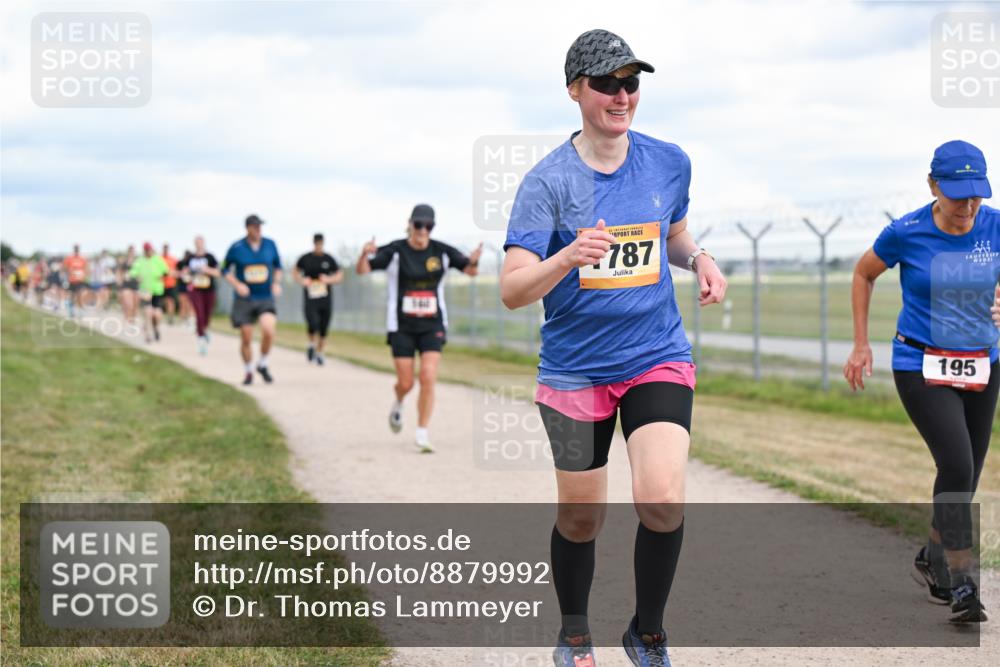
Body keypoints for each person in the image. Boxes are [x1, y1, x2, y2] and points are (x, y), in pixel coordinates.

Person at [500, 30, 727, 667]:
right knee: (580, 517)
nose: (621, 95)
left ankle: (647, 632)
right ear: (576, 90)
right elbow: (513, 289)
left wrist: (700, 258)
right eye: (607, 83)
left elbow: (674, 234)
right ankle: (574, 632)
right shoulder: (546, 183)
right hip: (574, 370)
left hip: (655, 353)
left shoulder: (668, 161)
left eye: (631, 83)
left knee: (661, 495)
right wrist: (568, 256)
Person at [845, 140, 998, 625]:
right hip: (921, 362)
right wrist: (861, 344)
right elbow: (863, 274)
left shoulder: (995, 226)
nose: (968, 207)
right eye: (958, 196)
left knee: (966, 474)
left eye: (976, 195)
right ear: (933, 186)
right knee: (955, 462)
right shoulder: (905, 231)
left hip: (982, 361)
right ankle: (962, 584)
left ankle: (930, 557)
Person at [356, 204, 482, 453]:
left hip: (432, 324)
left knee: (427, 375)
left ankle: (422, 433)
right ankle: (399, 401)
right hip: (401, 326)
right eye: (419, 225)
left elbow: (470, 271)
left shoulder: (442, 252)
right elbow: (363, 270)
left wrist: (475, 262)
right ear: (410, 225)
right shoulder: (394, 251)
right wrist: (363, 255)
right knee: (406, 382)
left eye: (428, 226)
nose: (423, 230)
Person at [223, 214, 283, 385]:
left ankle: (262, 364)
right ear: (248, 228)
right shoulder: (237, 247)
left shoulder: (270, 244)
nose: (259, 229)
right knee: (246, 337)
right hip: (245, 299)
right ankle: (249, 370)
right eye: (255, 226)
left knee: (269, 329)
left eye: (260, 226)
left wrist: (277, 283)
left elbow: (278, 267)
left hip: (265, 296)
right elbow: (224, 270)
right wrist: (237, 285)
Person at [294, 233, 344, 365]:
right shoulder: (306, 259)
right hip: (311, 298)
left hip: (325, 298)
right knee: (312, 323)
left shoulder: (329, 259)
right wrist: (302, 280)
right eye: (316, 243)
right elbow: (295, 272)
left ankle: (320, 353)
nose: (318, 246)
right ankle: (311, 344)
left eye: (320, 243)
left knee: (323, 327)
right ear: (314, 243)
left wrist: (329, 280)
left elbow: (339, 275)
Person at [180, 236, 221, 355]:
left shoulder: (210, 257)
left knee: (207, 313)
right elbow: (184, 271)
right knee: (199, 312)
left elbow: (218, 273)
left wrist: (207, 270)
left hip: (208, 289)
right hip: (195, 289)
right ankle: (201, 338)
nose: (198, 244)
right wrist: (186, 274)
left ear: (203, 243)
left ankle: (205, 329)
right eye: (196, 243)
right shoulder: (190, 258)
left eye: (200, 242)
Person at [129, 242, 170, 343]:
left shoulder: (158, 260)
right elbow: (133, 272)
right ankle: (147, 335)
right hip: (145, 290)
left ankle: (156, 328)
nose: (148, 252)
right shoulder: (140, 261)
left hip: (157, 290)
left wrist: (161, 276)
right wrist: (137, 276)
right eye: (146, 250)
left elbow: (166, 271)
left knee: (156, 314)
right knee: (147, 312)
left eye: (150, 250)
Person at [62, 244, 88, 317]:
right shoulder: (69, 258)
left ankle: (80, 311)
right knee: (72, 296)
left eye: (77, 249)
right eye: (75, 248)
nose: (76, 250)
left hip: (79, 280)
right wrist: (69, 272)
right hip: (71, 280)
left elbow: (85, 269)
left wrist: (84, 276)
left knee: (79, 295)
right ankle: (71, 311)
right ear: (74, 249)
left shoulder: (82, 259)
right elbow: (65, 268)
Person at [118, 245, 139, 323]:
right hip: (126, 284)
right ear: (128, 252)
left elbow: (141, 272)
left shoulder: (138, 262)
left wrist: (140, 279)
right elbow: (120, 272)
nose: (131, 253)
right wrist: (120, 280)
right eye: (130, 251)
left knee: (135, 304)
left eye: (133, 251)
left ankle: (133, 318)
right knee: (128, 303)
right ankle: (127, 318)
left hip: (135, 284)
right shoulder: (124, 262)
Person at [161, 243, 180, 325]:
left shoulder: (173, 259)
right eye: (164, 248)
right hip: (160, 284)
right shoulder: (159, 258)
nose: (165, 250)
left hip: (171, 284)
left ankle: (170, 317)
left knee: (170, 301)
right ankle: (160, 316)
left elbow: (178, 270)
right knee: (162, 301)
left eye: (167, 248)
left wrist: (174, 273)